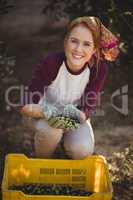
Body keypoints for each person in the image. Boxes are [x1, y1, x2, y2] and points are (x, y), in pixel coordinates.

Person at [20, 16, 119, 159]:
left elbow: (87, 108)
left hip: (74, 116)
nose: (78, 49)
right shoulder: (52, 63)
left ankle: (63, 148)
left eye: (86, 44)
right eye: (74, 41)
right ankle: (42, 162)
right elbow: (25, 105)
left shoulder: (99, 69)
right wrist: (49, 111)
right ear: (66, 41)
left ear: (94, 49)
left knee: (82, 149)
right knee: (51, 131)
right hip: (40, 115)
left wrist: (70, 117)